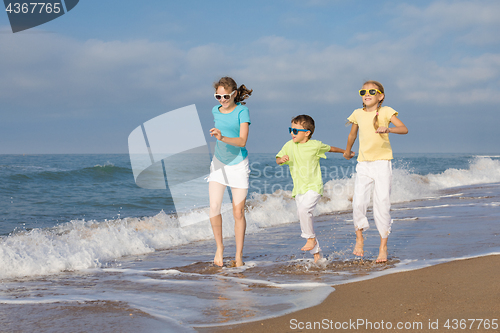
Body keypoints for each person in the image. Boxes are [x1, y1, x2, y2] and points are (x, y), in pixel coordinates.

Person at [343, 80, 408, 263]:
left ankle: (382, 247)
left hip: (382, 163)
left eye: (372, 91)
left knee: (382, 204)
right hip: (363, 163)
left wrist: (389, 129)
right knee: (358, 202)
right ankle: (359, 238)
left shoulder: (387, 111)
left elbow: (404, 129)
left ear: (381, 96)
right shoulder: (357, 113)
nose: (367, 94)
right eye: (363, 92)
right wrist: (347, 151)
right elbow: (352, 135)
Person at [276, 115, 352, 263]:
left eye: (296, 131)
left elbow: (331, 148)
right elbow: (278, 159)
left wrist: (346, 152)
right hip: (299, 189)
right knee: (303, 217)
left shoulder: (315, 145)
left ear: (307, 132)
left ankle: (311, 239)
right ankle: (317, 255)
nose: (292, 133)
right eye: (290, 129)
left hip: (314, 187)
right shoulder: (288, 145)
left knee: (304, 212)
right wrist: (282, 159)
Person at [207, 77, 253, 267]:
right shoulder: (214, 110)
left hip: (238, 165)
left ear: (234, 94)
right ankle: (219, 248)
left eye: (226, 96)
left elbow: (242, 141)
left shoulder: (243, 111)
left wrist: (222, 137)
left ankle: (239, 255)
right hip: (218, 164)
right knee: (214, 208)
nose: (222, 100)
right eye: (218, 96)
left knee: (238, 212)